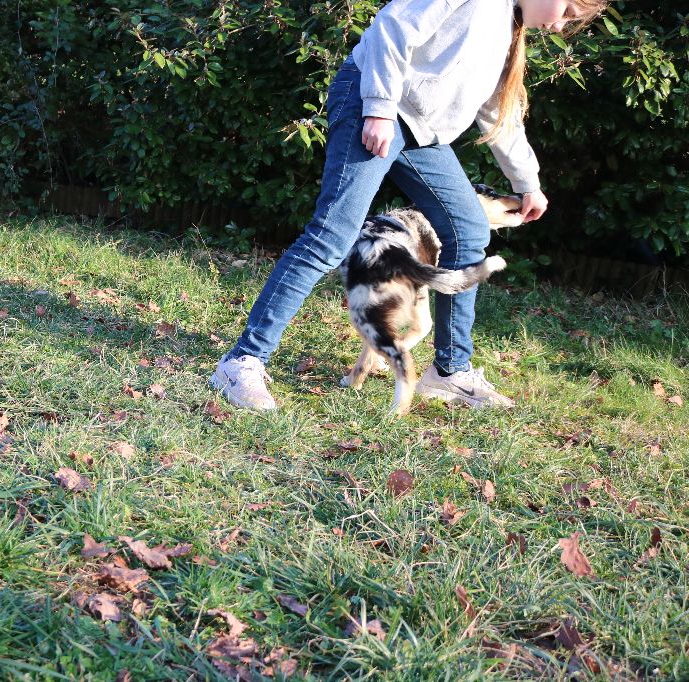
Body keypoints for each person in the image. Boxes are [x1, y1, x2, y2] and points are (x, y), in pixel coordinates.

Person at [210, 0, 606, 411]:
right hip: (375, 100)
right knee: (331, 237)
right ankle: (242, 362)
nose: (560, 27)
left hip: (422, 131)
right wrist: (379, 108)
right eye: (567, 13)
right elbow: (393, 27)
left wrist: (528, 184)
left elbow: (497, 112)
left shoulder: (508, 26)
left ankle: (450, 373)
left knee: (469, 232)